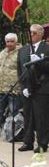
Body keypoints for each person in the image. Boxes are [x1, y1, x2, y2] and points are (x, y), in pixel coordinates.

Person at [17, 24, 49, 152]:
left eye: (34, 33)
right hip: (27, 89)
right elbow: (20, 70)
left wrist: (40, 62)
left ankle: (42, 144)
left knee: (41, 118)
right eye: (30, 33)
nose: (31, 35)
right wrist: (23, 87)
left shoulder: (46, 48)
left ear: (41, 34)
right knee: (28, 117)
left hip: (42, 88)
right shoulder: (23, 50)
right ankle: (27, 142)